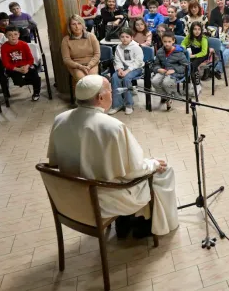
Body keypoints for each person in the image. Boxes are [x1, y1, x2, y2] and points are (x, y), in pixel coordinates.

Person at [47, 75, 178, 237]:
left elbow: (54, 160)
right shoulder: (112, 127)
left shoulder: (60, 119)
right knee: (164, 170)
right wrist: (153, 164)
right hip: (105, 197)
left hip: (73, 195)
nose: (113, 92)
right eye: (110, 89)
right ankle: (152, 225)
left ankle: (125, 221)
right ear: (100, 97)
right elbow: (134, 170)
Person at [109, 28, 144, 115]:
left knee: (126, 78)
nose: (124, 39)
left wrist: (127, 71)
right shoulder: (118, 47)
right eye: (122, 37)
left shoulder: (136, 47)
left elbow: (138, 62)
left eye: (127, 37)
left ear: (131, 37)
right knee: (114, 77)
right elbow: (117, 60)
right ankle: (117, 104)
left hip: (135, 68)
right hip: (123, 68)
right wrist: (120, 69)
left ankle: (129, 104)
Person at [1, 26, 41, 101]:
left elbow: (31, 59)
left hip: (25, 65)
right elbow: (6, 63)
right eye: (10, 35)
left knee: (35, 75)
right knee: (18, 81)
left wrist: (26, 66)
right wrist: (18, 69)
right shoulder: (4, 47)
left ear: (19, 35)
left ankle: (36, 92)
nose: (13, 37)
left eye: (15, 34)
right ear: (6, 36)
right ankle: (27, 81)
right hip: (14, 68)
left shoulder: (24, 44)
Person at [151, 31, 190, 111]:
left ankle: (169, 97)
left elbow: (186, 66)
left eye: (169, 41)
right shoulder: (160, 52)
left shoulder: (179, 52)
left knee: (166, 82)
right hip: (163, 71)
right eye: (165, 41)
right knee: (154, 81)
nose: (167, 44)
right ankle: (168, 98)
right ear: (162, 41)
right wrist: (158, 69)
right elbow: (155, 65)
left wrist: (174, 70)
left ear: (173, 41)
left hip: (175, 73)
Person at [61, 15, 100, 81]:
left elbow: (97, 54)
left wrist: (89, 65)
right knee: (84, 81)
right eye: (74, 24)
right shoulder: (66, 40)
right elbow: (66, 59)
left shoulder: (91, 36)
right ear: (70, 26)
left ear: (83, 25)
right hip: (76, 66)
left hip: (91, 64)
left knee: (93, 81)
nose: (77, 26)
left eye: (79, 23)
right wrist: (80, 66)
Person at [181, 22, 208, 93]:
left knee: (193, 65)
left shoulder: (203, 38)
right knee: (185, 64)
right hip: (193, 53)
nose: (197, 31)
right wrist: (184, 49)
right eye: (195, 29)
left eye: (199, 29)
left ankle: (197, 84)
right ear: (191, 30)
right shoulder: (189, 36)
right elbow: (183, 43)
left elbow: (204, 52)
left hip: (202, 55)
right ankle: (188, 83)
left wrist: (193, 56)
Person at [214, 15, 229, 80]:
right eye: (224, 22)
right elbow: (221, 39)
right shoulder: (220, 29)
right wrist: (224, 31)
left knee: (225, 54)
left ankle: (217, 70)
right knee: (219, 52)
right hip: (222, 44)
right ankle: (216, 69)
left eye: (227, 22)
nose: (225, 24)